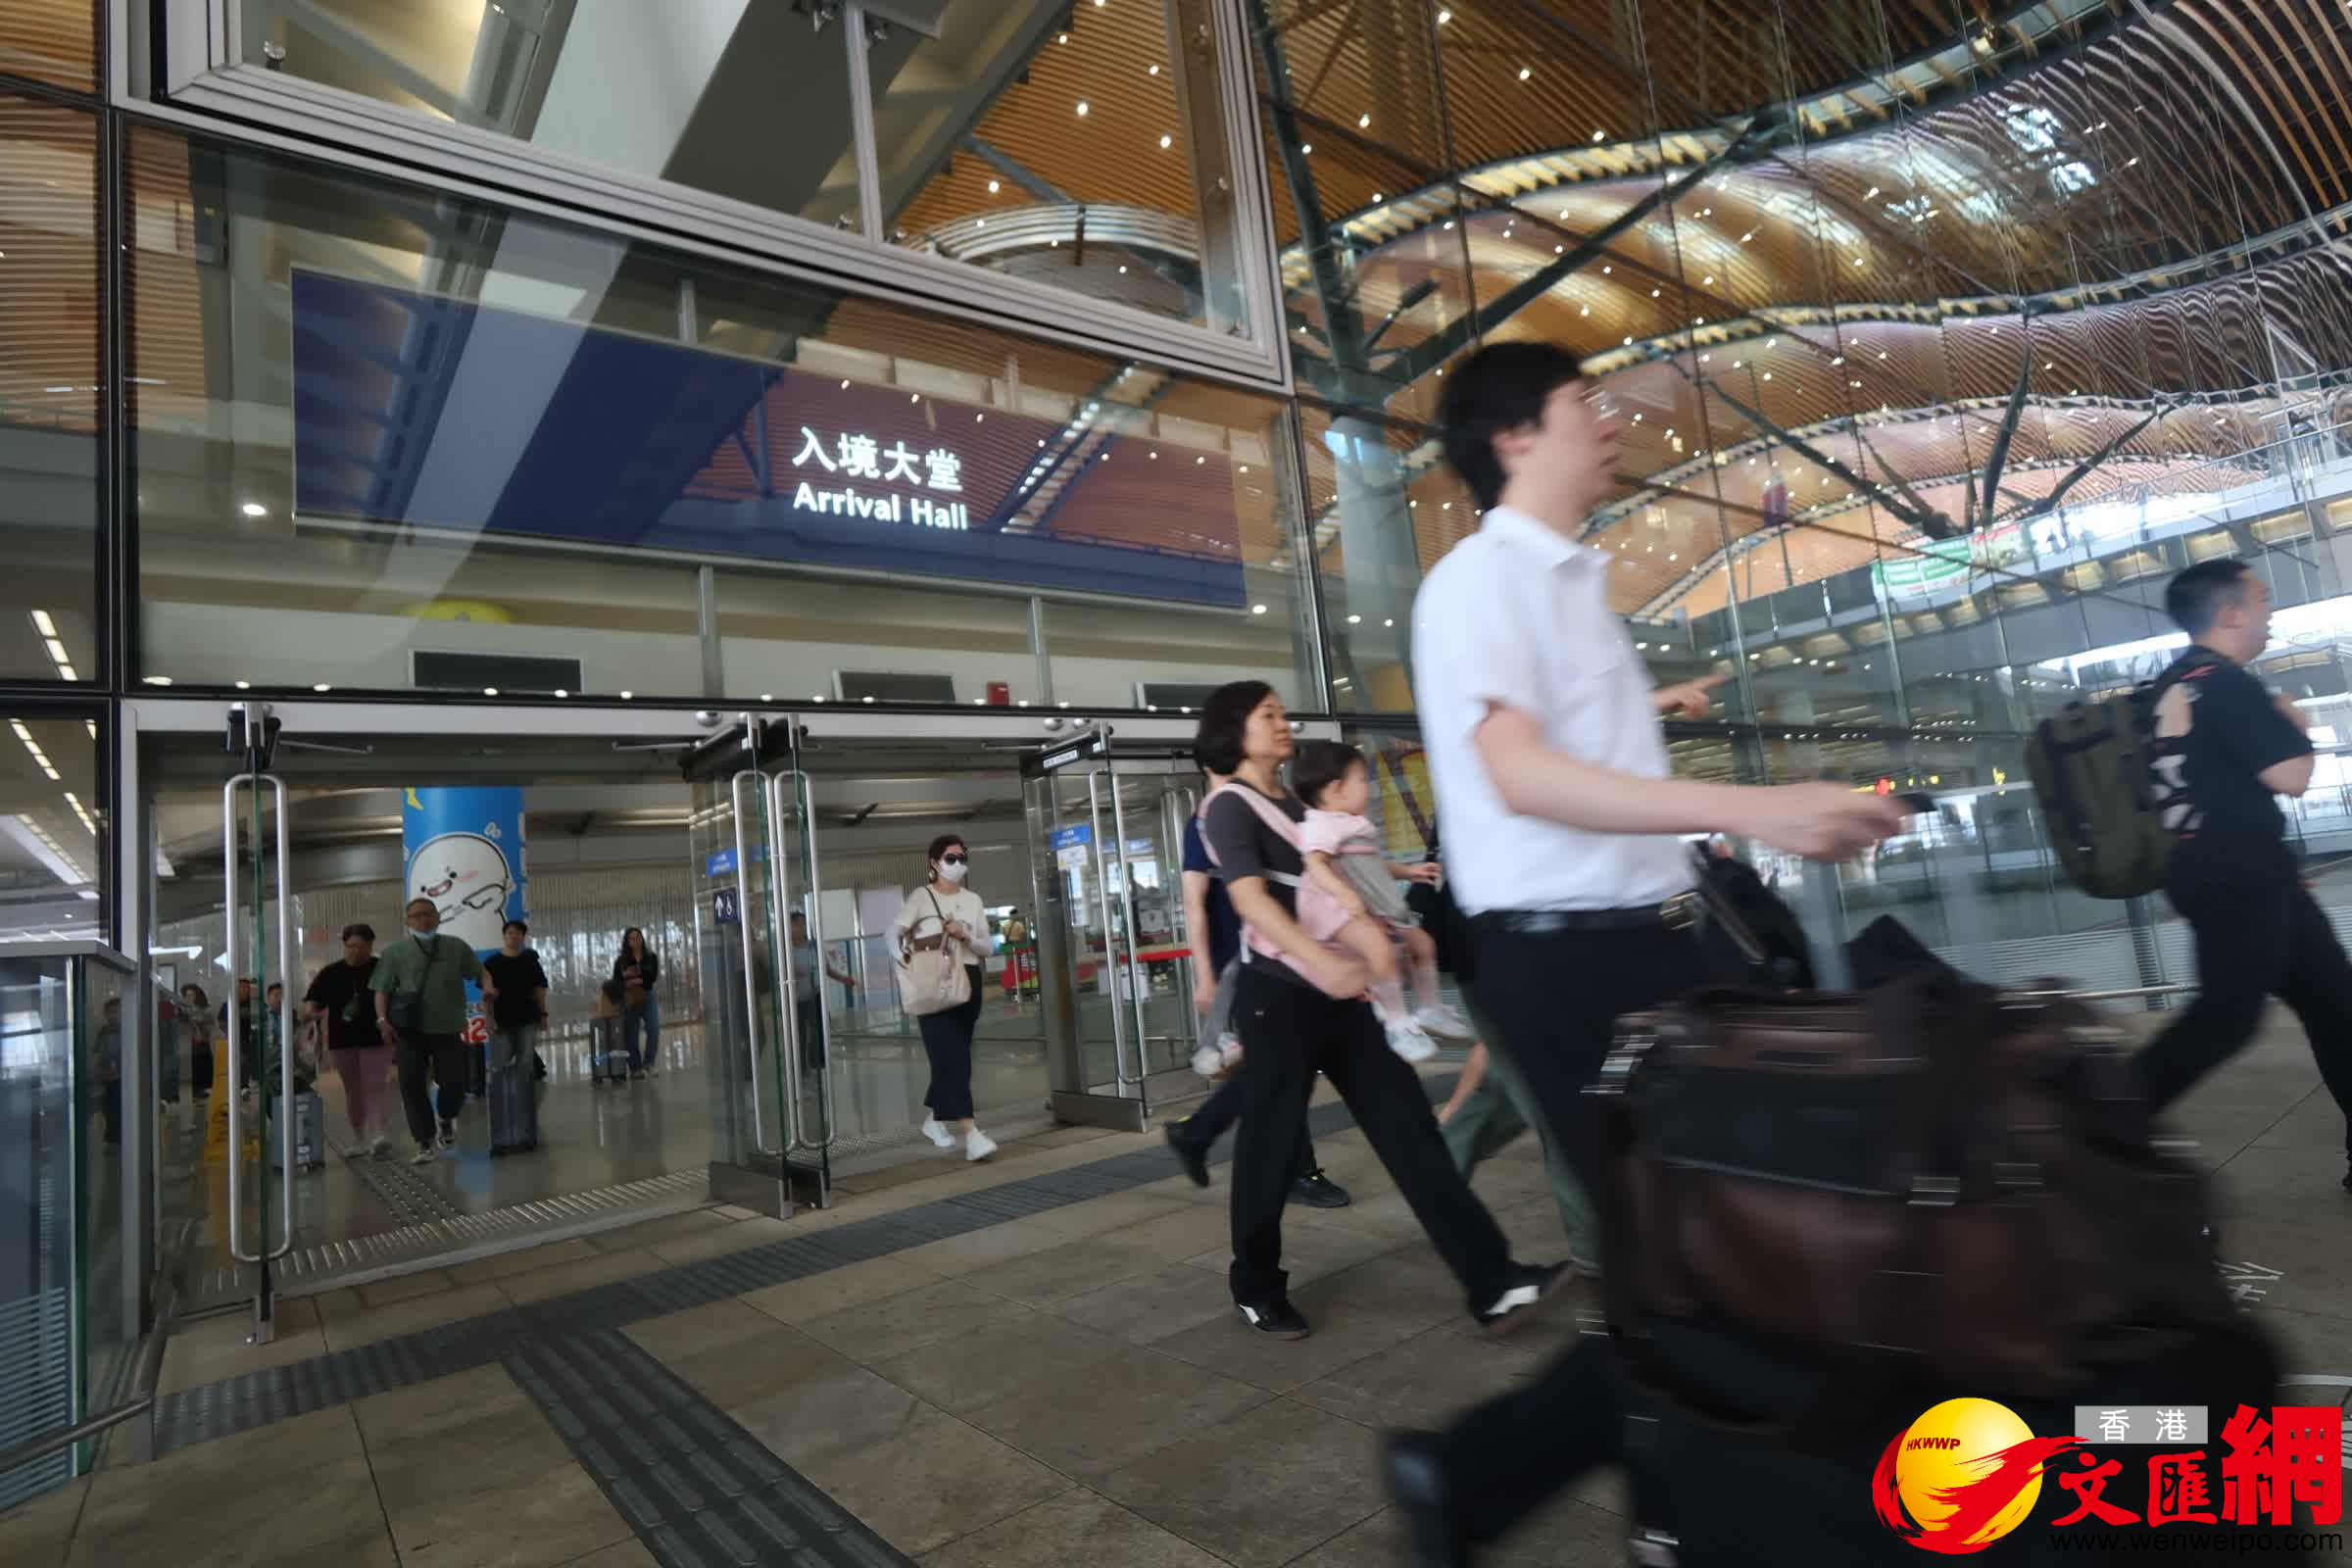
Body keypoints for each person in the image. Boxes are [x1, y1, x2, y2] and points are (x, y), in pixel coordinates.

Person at [1385, 339, 1905, 1558]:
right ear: (1515, 434)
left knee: (1713, 1247)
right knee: (1707, 1253)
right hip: (1572, 963)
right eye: (1584, 402)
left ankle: (1480, 1479)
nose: (1609, 420)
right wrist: (1755, 808)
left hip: (1656, 947)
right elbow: (1520, 776)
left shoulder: (1572, 586)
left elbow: (1582, 766)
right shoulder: (1480, 580)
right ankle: (1545, 1488)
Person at [1194, 679, 1566, 1340]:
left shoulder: (1295, 802)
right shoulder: (1229, 806)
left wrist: (1380, 935)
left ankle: (1492, 1282)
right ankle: (1255, 1283)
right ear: (1233, 730)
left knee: (1410, 1132)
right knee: (1269, 1146)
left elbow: (1345, 878)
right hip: (1279, 997)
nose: (1283, 723)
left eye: (1282, 712)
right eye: (1267, 714)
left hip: (1348, 996)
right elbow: (1249, 901)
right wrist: (1324, 959)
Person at [2137, 558, 2352, 1189]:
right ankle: (2083, 1130)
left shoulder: (2171, 684)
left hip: (2233, 872)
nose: (2270, 609)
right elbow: (2292, 777)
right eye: (2262, 598)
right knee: (2225, 1018)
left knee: (2338, 1006)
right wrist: (2296, 725)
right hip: (2242, 881)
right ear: (2230, 613)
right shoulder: (2227, 683)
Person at [1164, 756, 1349, 1210]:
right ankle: (1296, 1171)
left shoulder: (1266, 808)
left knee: (1278, 1065)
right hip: (1243, 966)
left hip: (1283, 957)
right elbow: (1194, 903)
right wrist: (1206, 976)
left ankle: (1197, 1133)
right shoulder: (1207, 820)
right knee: (1283, 1065)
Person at [1292, 738, 1470, 1060]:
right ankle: (1397, 1022)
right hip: (1337, 906)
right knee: (1381, 952)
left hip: (1373, 901)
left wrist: (1408, 871)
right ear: (1336, 790)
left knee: (1423, 944)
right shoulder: (1322, 824)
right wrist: (1343, 893)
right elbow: (1314, 863)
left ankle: (1431, 1008)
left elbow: (1372, 863)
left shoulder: (1353, 825)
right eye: (1362, 780)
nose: (1369, 788)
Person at [893, 835, 999, 1162]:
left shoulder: (973, 900)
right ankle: (972, 1133)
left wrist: (964, 935)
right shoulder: (920, 897)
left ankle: (934, 1121)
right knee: (952, 1058)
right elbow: (892, 934)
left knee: (955, 1057)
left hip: (968, 980)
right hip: (933, 983)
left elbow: (987, 948)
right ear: (934, 862)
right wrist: (904, 964)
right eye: (951, 858)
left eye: (962, 858)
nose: (958, 864)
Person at [372, 895, 492, 1163]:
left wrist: (488, 986)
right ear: (407, 921)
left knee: (454, 1084)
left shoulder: (455, 947)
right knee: (412, 1087)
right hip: (409, 1031)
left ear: (438, 918)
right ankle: (424, 1141)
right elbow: (382, 990)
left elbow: (480, 972)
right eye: (417, 915)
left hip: (448, 1028)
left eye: (429, 913)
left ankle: (446, 1117)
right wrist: (382, 1021)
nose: (423, 919)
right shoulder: (394, 953)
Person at [304, 922, 389, 1157]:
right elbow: (313, 1001)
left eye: (362, 946)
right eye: (351, 946)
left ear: (371, 946)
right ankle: (359, 1137)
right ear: (344, 945)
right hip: (342, 1039)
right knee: (353, 1089)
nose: (356, 951)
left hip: (376, 1037)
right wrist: (312, 1012)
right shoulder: (331, 973)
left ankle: (379, 1134)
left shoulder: (382, 968)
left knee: (375, 1085)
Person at [481, 919, 549, 1156]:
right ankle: (502, 1127)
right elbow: (487, 995)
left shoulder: (530, 961)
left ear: (523, 936)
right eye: (510, 933)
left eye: (518, 933)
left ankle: (525, 1124)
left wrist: (543, 1014)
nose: (514, 936)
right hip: (501, 1021)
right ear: (504, 936)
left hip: (527, 1019)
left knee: (525, 1067)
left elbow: (540, 989)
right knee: (499, 1069)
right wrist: (488, 1018)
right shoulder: (492, 963)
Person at [788, 910, 851, 1077]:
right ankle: (800, 1069)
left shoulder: (813, 946)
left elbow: (826, 969)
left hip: (815, 994)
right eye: (798, 924)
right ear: (790, 926)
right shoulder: (785, 948)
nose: (802, 927)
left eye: (804, 923)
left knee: (819, 1029)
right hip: (795, 998)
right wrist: (791, 972)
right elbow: (777, 973)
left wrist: (843, 979)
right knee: (799, 1034)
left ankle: (817, 1063)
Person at [612, 928, 662, 1078]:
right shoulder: (621, 961)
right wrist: (628, 979)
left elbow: (652, 977)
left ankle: (649, 1062)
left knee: (654, 1028)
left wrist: (637, 979)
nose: (636, 940)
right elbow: (616, 981)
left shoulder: (651, 957)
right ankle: (635, 1068)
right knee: (631, 1034)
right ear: (627, 942)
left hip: (647, 995)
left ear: (642, 939)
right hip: (629, 998)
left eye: (638, 937)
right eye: (632, 938)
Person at [94, 997, 122, 1147]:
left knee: (118, 1106)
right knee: (107, 1108)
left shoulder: (126, 1031)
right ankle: (111, 1136)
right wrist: (98, 1070)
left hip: (120, 1077)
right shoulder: (103, 1031)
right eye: (109, 1012)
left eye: (115, 1012)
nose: (112, 1016)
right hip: (106, 1076)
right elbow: (97, 1052)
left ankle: (118, 1136)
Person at [179, 984, 215, 1102]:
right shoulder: (183, 1008)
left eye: (192, 995)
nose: (189, 997)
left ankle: (201, 1089)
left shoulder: (205, 1008)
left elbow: (208, 1023)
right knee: (195, 1065)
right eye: (187, 995)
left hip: (201, 1041)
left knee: (202, 1065)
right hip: (189, 1041)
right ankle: (196, 1090)